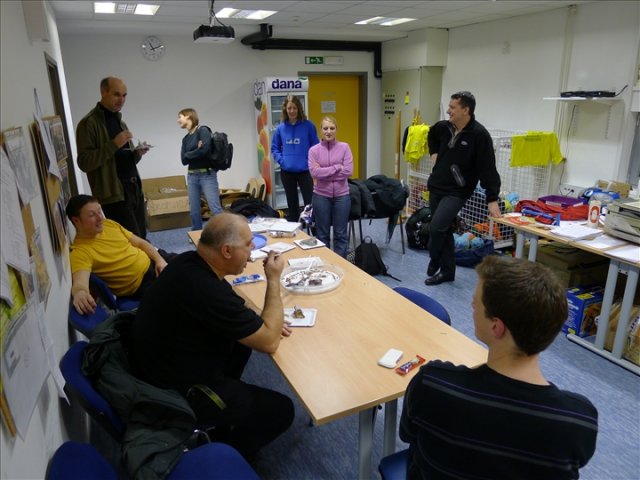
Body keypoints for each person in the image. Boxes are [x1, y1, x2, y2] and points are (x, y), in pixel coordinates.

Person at [400, 256, 598, 479]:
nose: (472, 305)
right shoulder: (578, 420)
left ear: (496, 327)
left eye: (476, 302)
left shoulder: (433, 384)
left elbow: (408, 436)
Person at [129, 212, 294, 459]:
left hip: (157, 361)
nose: (252, 250)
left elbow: (234, 304)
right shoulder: (205, 288)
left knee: (242, 342)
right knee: (280, 410)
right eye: (248, 244)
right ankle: (227, 454)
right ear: (226, 251)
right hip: (172, 390)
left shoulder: (189, 262)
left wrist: (261, 320)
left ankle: (226, 411)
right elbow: (269, 342)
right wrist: (273, 280)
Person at [425, 91, 501, 286]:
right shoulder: (444, 127)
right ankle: (447, 272)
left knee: (437, 227)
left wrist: (492, 198)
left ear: (465, 110)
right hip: (437, 185)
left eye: (452, 107)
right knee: (444, 231)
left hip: (457, 191)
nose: (448, 111)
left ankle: (435, 258)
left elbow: (488, 168)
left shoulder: (479, 135)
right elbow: (431, 134)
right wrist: (434, 153)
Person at [66, 195, 169, 315]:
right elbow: (80, 283)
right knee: (182, 287)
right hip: (143, 284)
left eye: (99, 211)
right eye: (92, 215)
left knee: (187, 261)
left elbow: (140, 243)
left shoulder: (108, 224)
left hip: (155, 260)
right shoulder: (80, 251)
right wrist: (80, 293)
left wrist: (159, 260)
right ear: (76, 221)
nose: (100, 218)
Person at [76, 76, 151, 238]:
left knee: (142, 238)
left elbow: (123, 160)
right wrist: (114, 144)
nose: (121, 100)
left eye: (124, 95)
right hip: (113, 195)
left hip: (134, 189)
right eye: (117, 94)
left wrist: (137, 153)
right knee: (132, 242)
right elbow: (84, 162)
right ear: (103, 92)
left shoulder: (120, 122)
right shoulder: (88, 124)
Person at [308, 116, 354, 258]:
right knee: (322, 235)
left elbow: (348, 171)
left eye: (332, 128)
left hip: (342, 197)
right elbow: (314, 173)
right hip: (321, 196)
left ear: (336, 130)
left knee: (341, 235)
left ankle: (341, 266)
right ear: (321, 130)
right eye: (325, 128)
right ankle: (325, 265)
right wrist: (337, 167)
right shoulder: (313, 150)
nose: (329, 131)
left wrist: (323, 172)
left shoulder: (344, 147)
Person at [271, 95, 319, 222]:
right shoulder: (280, 128)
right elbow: (274, 148)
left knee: (309, 204)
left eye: (294, 108)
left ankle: (313, 230)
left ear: (299, 109)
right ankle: (295, 230)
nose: (292, 111)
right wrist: (282, 161)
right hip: (287, 172)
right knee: (292, 205)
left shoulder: (308, 126)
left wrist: (309, 161)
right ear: (285, 110)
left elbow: (316, 147)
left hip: (305, 171)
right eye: (289, 108)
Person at [177, 108, 223, 230]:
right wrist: (197, 150)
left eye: (180, 117)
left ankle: (224, 233)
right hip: (192, 176)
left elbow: (205, 150)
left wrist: (190, 153)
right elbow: (183, 160)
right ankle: (196, 233)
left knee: (215, 208)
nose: (178, 120)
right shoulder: (185, 139)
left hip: (207, 175)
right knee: (194, 211)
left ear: (188, 116)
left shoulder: (203, 130)